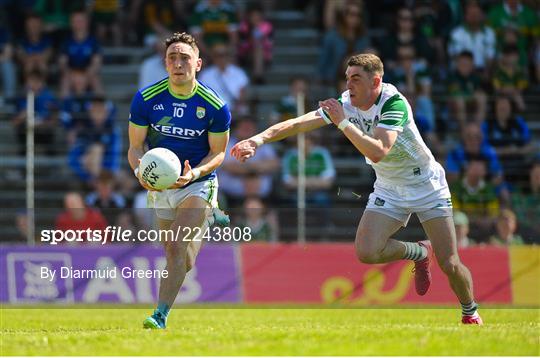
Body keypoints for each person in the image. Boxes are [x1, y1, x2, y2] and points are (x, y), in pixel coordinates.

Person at [231, 53, 482, 324]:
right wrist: (258, 140)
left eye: (356, 79)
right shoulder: (345, 103)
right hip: (389, 187)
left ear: (376, 81)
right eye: (347, 78)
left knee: (450, 263)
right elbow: (298, 123)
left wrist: (342, 122)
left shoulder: (394, 103)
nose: (349, 85)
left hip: (426, 185)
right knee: (367, 251)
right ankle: (420, 252)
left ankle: (470, 311)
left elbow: (378, 152)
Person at [128, 32, 231, 329]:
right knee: (183, 260)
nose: (178, 63)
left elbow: (218, 153)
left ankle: (159, 316)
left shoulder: (214, 105)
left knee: (174, 244)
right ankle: (207, 221)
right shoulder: (146, 98)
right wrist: (140, 174)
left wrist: (194, 173)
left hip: (198, 181)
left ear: (198, 64)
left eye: (184, 57)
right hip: (160, 185)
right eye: (172, 57)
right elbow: (135, 147)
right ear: (165, 63)